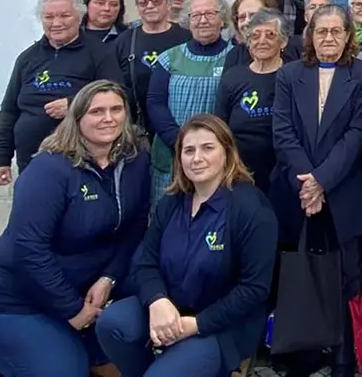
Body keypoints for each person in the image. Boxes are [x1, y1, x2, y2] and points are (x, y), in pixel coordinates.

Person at [0, 80, 150, 377]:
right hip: (19, 300)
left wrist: (109, 277)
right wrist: (72, 310)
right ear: (77, 118)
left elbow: (134, 227)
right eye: (97, 111)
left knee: (128, 367)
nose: (108, 118)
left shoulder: (135, 160)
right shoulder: (49, 169)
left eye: (116, 109)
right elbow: (28, 248)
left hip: (85, 289)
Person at [95, 114, 278, 377]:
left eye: (208, 148)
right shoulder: (171, 203)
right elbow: (146, 262)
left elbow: (254, 289)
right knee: (111, 324)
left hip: (222, 325)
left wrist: (197, 324)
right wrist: (158, 301)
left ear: (227, 152)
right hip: (170, 307)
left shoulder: (251, 209)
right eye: (188, 150)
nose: (197, 157)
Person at [270, 4, 362, 377]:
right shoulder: (288, 75)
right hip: (298, 193)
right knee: (302, 274)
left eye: (337, 31)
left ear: (349, 36)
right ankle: (301, 355)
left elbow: (357, 135)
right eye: (321, 32)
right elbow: (282, 132)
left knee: (347, 278)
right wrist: (307, 181)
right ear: (310, 36)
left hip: (345, 192)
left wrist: (321, 182)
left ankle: (343, 360)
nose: (329, 38)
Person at [0, 0, 123, 180]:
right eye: (49, 17)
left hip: (80, 159)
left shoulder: (100, 54)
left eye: (65, 15)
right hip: (30, 159)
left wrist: (73, 105)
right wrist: (1, 159)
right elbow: (10, 110)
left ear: (79, 16)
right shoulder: (27, 58)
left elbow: (117, 94)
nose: (56, 23)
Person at [147, 0, 234, 205]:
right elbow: (155, 102)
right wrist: (179, 141)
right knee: (167, 213)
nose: (202, 20)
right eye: (196, 15)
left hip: (214, 152)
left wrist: (208, 144)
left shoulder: (235, 57)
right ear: (188, 20)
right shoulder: (169, 58)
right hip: (171, 152)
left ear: (222, 19)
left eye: (210, 14)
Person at [215, 9, 291, 193]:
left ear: (284, 41)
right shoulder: (232, 78)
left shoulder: (294, 76)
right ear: (248, 43)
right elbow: (220, 126)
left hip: (284, 169)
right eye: (255, 36)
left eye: (270, 35)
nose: (261, 41)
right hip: (240, 170)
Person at [114, 0, 192, 132]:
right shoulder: (124, 40)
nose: (149, 6)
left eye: (157, 1)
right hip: (135, 123)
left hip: (176, 121)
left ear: (169, 4)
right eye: (143, 2)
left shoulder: (186, 37)